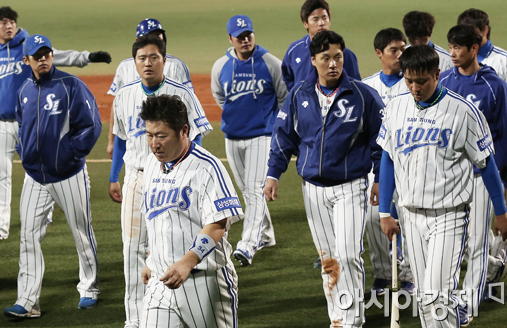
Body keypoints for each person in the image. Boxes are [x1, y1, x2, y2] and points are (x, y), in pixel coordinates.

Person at [378, 44, 507, 328]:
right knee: (426, 301)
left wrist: (501, 212)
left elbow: (486, 163)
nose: (415, 87)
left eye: (422, 81)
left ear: (437, 74)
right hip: (409, 216)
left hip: (449, 216)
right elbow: (388, 157)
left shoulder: (462, 111)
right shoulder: (396, 107)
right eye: (409, 80)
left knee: (436, 296)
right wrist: (383, 212)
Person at [264, 30, 384, 327]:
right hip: (313, 190)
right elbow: (283, 138)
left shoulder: (363, 96)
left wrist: (380, 179)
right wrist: (273, 174)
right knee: (328, 259)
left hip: (351, 187)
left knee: (347, 254)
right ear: (313, 60)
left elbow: (381, 142)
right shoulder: (299, 95)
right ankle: (338, 319)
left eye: (338, 57)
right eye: (326, 58)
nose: (333, 63)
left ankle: (354, 320)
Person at [0, 6, 111, 243]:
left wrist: (87, 57)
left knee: (42, 166)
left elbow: (58, 55)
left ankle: (45, 211)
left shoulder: (29, 46)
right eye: (3, 22)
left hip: (29, 123)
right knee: (0, 175)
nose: (8, 26)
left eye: (11, 22)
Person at [109, 36, 212, 328]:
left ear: (164, 61)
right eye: (142, 58)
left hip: (176, 178)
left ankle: (179, 305)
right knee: (132, 249)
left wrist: (190, 169)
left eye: (154, 57)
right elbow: (120, 139)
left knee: (171, 242)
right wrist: (114, 176)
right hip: (138, 177)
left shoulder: (181, 93)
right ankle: (134, 319)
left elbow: (197, 136)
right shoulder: (125, 94)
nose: (148, 63)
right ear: (134, 63)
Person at [3, 34, 102, 318]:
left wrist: (69, 154)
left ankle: (89, 288)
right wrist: (25, 153)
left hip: (68, 174)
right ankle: (28, 301)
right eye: (38, 55)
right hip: (35, 176)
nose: (44, 58)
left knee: (81, 232)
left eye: (47, 54)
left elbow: (91, 125)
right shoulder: (24, 90)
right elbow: (22, 125)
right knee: (28, 236)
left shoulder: (71, 85)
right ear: (27, 60)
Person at [139, 94, 243, 328]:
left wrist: (187, 262)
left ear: (184, 130)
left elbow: (218, 224)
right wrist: (152, 258)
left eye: (162, 136)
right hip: (160, 280)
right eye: (149, 135)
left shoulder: (207, 167)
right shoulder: (151, 165)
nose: (154, 143)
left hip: (205, 281)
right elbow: (157, 217)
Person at [440, 26, 507, 319]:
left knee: (478, 242)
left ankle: (468, 306)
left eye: (459, 48)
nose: (454, 53)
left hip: (484, 175)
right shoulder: (444, 81)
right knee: (455, 242)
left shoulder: (493, 85)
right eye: (450, 47)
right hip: (451, 177)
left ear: (475, 48)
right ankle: (490, 268)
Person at [211, 15, 285, 266]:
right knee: (247, 191)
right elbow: (220, 97)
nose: (245, 40)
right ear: (230, 39)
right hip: (232, 137)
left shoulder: (270, 63)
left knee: (255, 190)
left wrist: (276, 129)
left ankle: (248, 244)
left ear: (254, 35)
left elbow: (284, 97)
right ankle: (266, 235)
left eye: (248, 35)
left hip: (262, 136)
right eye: (240, 36)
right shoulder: (221, 66)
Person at [457, 8, 507, 300]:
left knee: (501, 221)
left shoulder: (505, 64)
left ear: (484, 32)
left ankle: (492, 273)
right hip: (463, 168)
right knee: (473, 234)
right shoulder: (451, 73)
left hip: (499, 157)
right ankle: (490, 269)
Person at [362, 28, 414, 296]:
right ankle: (383, 274)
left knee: (407, 216)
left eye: (403, 49)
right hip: (378, 164)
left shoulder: (414, 82)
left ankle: (408, 275)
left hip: (411, 162)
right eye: (394, 50)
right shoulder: (367, 86)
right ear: (379, 53)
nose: (400, 54)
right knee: (374, 218)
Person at [106, 18, 194, 159]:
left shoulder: (177, 65)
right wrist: (111, 141)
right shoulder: (124, 67)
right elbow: (117, 108)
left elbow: (188, 109)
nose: (155, 39)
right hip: (136, 149)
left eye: (158, 36)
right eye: (149, 36)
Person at [281, 0, 361, 93]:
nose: (321, 23)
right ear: (305, 23)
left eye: (324, 18)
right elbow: (287, 77)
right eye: (315, 19)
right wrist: (297, 96)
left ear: (329, 21)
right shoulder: (294, 50)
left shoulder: (344, 53)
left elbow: (355, 86)